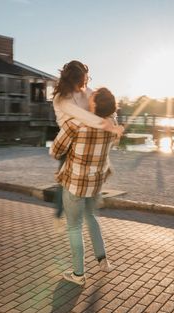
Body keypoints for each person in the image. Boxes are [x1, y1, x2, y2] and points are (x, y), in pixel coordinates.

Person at [50, 87, 118, 286]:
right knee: (91, 217)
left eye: (91, 98)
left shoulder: (75, 124)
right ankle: (103, 260)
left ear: (94, 104)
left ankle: (78, 274)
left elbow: (55, 150)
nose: (88, 100)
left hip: (75, 184)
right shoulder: (112, 125)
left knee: (74, 227)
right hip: (95, 183)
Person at [52, 60, 123, 220]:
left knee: (79, 182)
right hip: (70, 141)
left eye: (86, 80)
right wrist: (109, 126)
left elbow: (102, 102)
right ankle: (60, 215)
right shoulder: (61, 99)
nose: (85, 85)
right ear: (73, 81)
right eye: (82, 82)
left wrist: (112, 119)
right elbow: (83, 117)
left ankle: (86, 210)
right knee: (64, 181)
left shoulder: (84, 90)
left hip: (86, 139)